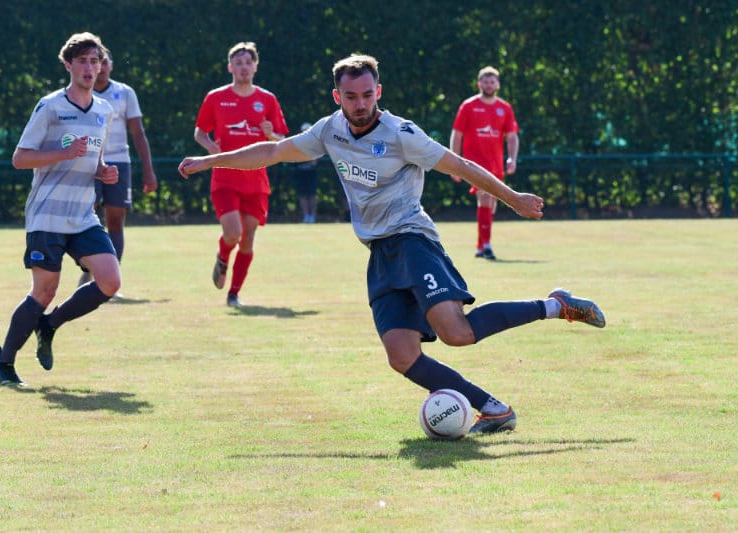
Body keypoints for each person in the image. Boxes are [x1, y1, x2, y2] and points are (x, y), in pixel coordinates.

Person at [178, 54, 605, 434]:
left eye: (367, 95)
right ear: (337, 97)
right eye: (351, 97)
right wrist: (209, 161)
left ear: (378, 92)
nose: (360, 104)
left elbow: (459, 164)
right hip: (380, 253)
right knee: (401, 356)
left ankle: (556, 305)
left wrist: (513, 199)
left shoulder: (402, 133)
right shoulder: (329, 131)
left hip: (413, 241)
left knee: (457, 333)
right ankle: (493, 409)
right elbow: (271, 152)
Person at [0, 32, 120, 387]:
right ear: (68, 65)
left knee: (110, 280)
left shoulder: (104, 111)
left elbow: (93, 159)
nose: (89, 68)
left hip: (83, 215)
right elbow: (20, 159)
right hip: (47, 214)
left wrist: (103, 171)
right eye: (82, 61)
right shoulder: (49, 106)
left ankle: (49, 325)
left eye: (95, 61)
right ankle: (2, 364)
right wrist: (64, 153)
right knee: (44, 291)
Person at [193, 41, 289, 307]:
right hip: (225, 176)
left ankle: (234, 294)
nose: (244, 67)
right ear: (230, 67)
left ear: (256, 66)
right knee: (233, 233)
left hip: (256, 180)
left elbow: (282, 139)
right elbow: (200, 132)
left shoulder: (267, 99)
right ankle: (223, 256)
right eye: (238, 62)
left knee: (247, 240)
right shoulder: (216, 97)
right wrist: (210, 147)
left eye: (248, 62)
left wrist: (271, 134)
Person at [78, 45, 158, 292]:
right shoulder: (81, 92)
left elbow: (138, 133)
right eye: (96, 62)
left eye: (104, 62)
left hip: (119, 163)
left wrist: (148, 170)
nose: (100, 67)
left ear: (110, 66)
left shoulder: (125, 93)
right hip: (89, 163)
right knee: (87, 219)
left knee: (115, 221)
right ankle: (89, 272)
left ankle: (111, 280)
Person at [450, 66, 519, 260]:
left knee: (492, 203)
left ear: (497, 84)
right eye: (485, 82)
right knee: (486, 197)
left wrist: (512, 158)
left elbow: (512, 136)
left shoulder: (505, 108)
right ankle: (487, 246)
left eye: (492, 82)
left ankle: (481, 245)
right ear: (479, 84)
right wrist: (454, 162)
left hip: (496, 164)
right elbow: (457, 134)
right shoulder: (469, 106)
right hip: (474, 164)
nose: (489, 85)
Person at [292, 122, 319, 223]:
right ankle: (306, 216)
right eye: (304, 131)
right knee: (302, 195)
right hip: (300, 173)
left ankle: (312, 216)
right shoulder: (297, 143)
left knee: (312, 195)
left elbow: (314, 162)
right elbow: (295, 158)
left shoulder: (315, 144)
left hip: (311, 173)